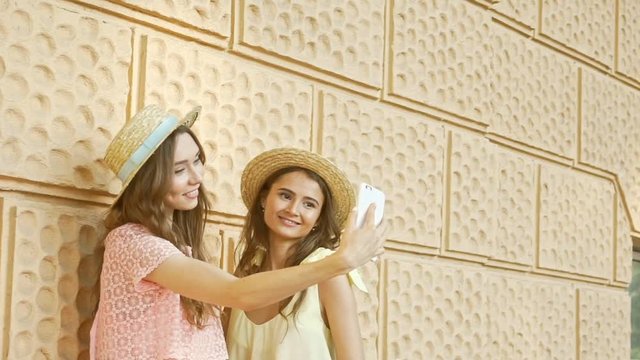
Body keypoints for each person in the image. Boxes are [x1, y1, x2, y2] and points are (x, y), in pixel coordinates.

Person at [90, 105, 384, 360]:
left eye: (197, 161)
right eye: (179, 170)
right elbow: (237, 294)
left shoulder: (181, 250)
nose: (197, 177)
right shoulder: (135, 243)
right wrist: (342, 261)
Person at [225, 148, 380, 360]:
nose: (293, 209)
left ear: (318, 218)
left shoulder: (329, 273)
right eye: (285, 195)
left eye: (309, 204)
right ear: (263, 199)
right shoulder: (246, 270)